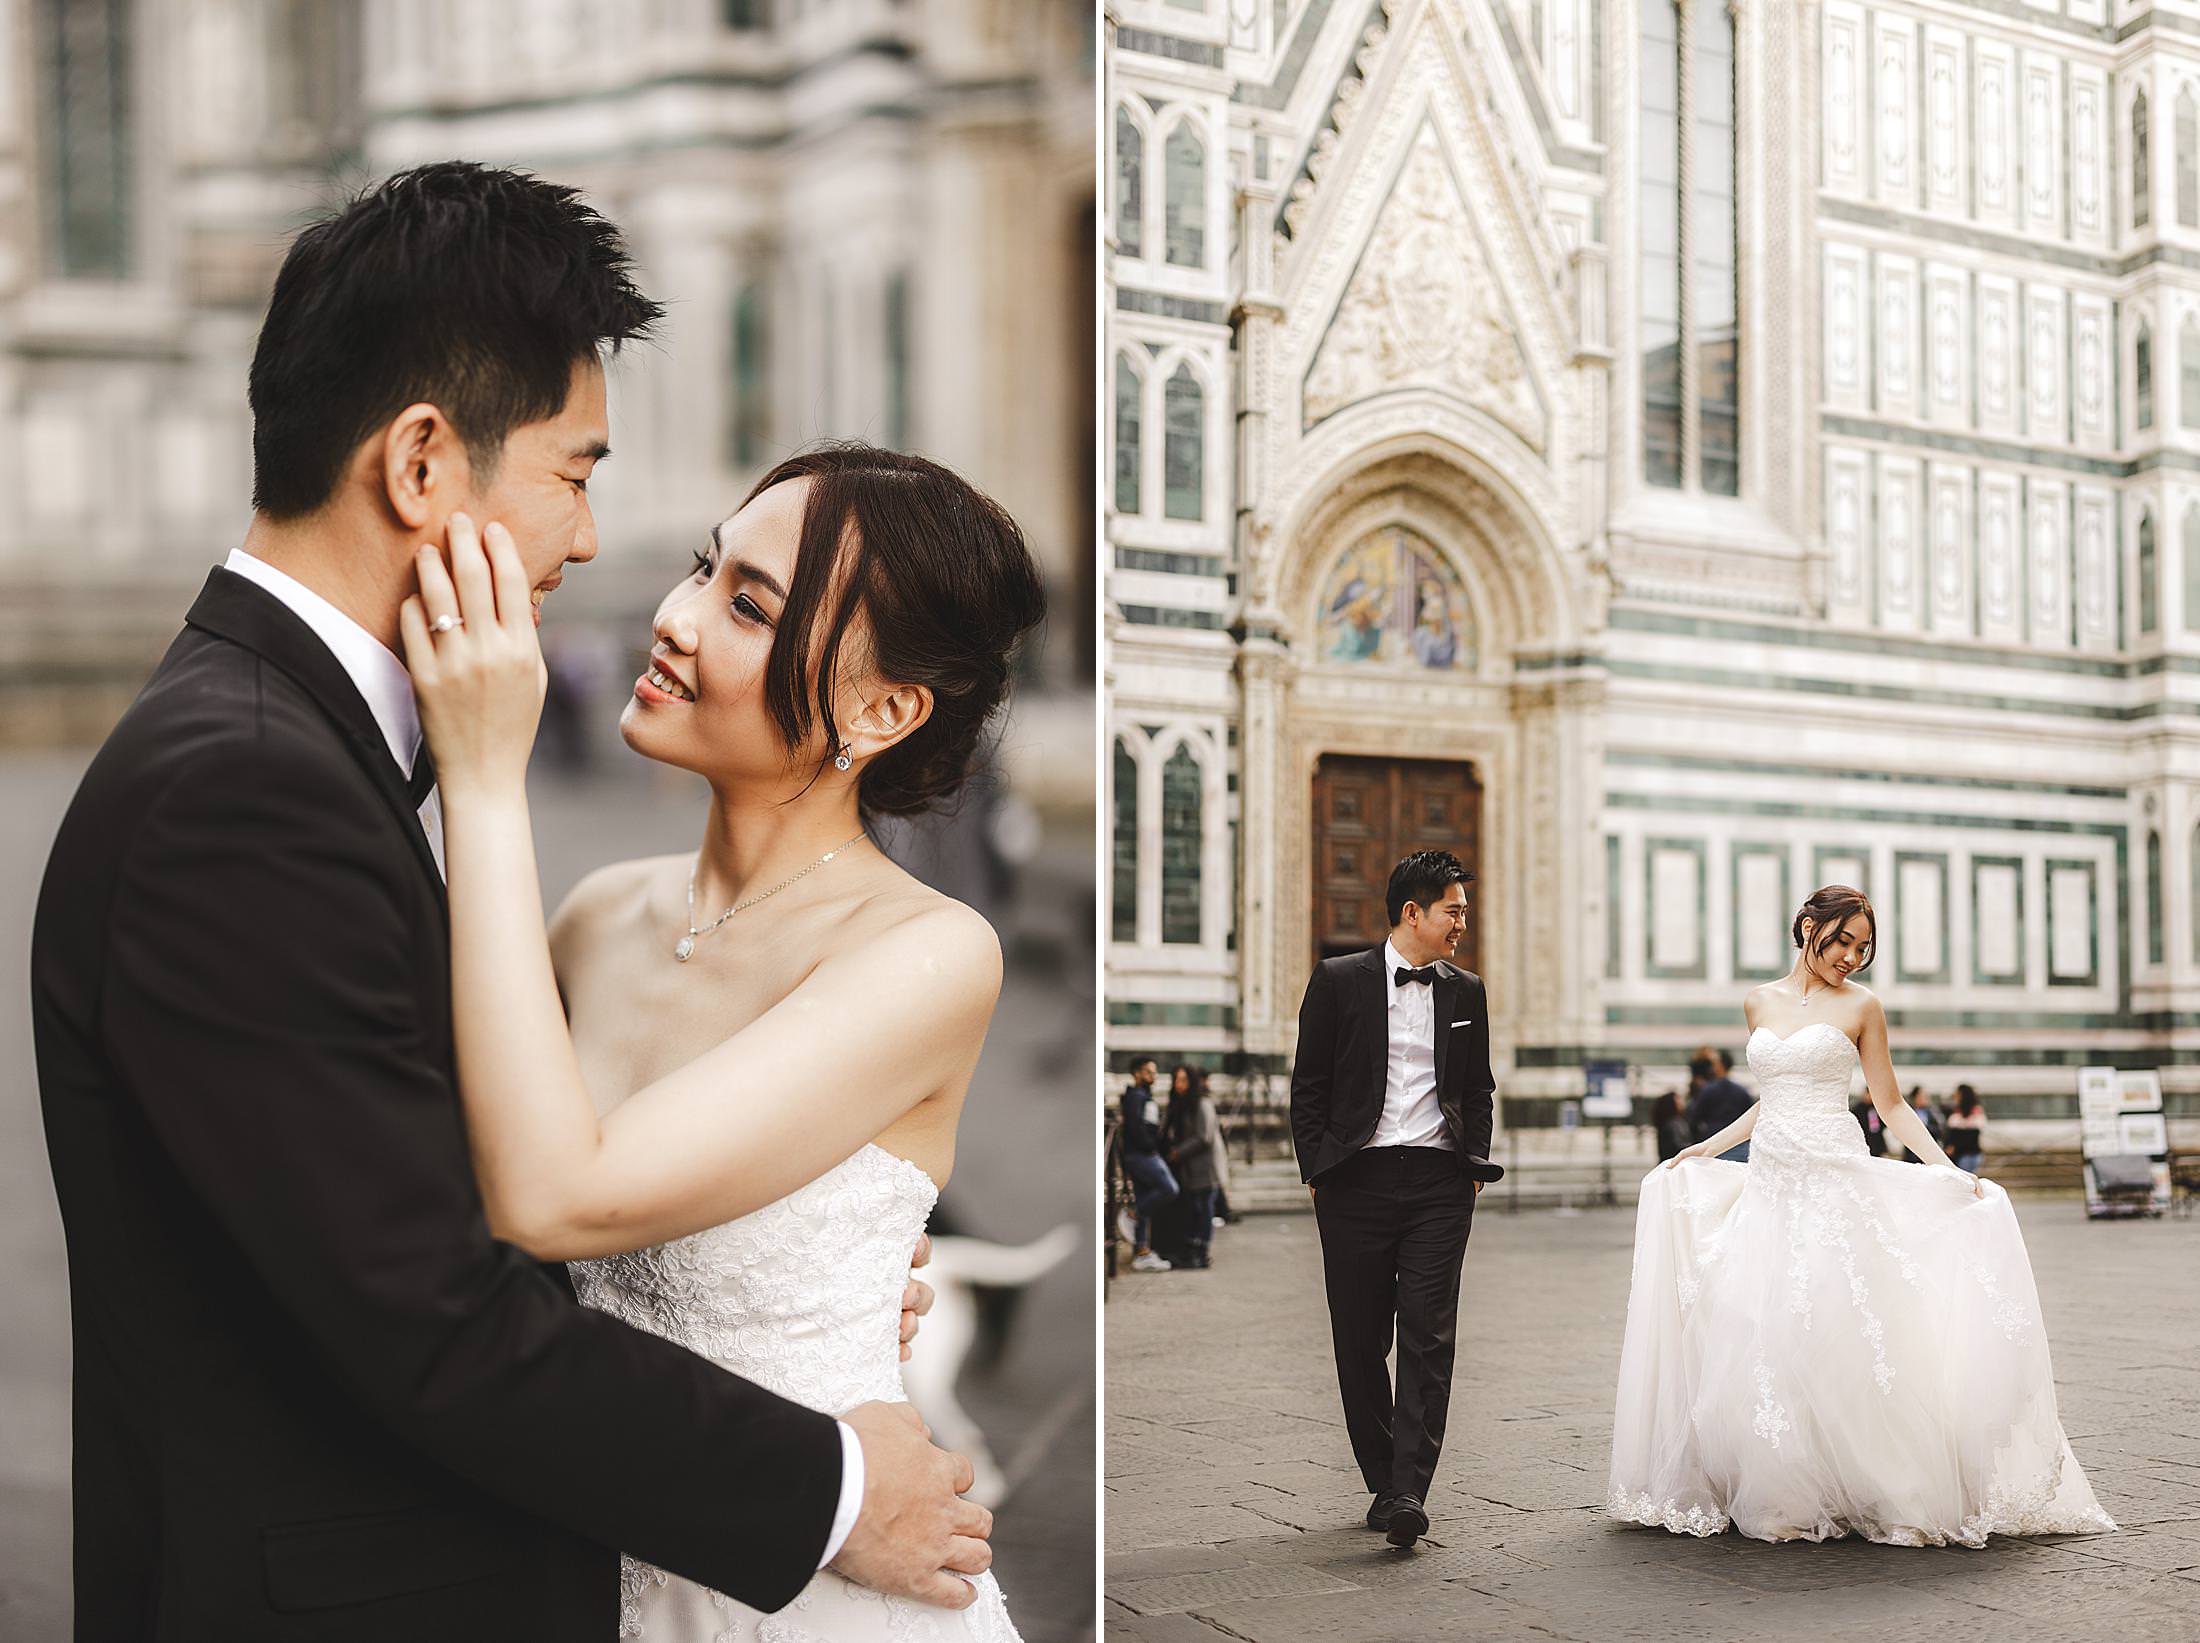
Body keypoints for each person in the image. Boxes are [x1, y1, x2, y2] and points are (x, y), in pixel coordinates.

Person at [30, 165, 989, 1641]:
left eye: (747, 597)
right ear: (424, 465)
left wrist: (828, 1253)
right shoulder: (250, 791)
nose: (600, 547)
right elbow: (441, 1305)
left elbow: (432, 1179)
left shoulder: (278, 751)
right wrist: (833, 1486)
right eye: (578, 470)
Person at [405, 433, 1045, 1640]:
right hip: (581, 1564)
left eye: (746, 605)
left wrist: (483, 779)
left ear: (884, 707)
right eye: (703, 568)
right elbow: (461, 1214)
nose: (675, 617)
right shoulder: (598, 918)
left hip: (817, 1589)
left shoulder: (929, 951)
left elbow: (557, 1197)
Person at [1608, 885, 2116, 1547]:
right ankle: (1789, 1483)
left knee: (1845, 1327)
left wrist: (1947, 1169)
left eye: (1861, 945)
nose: (1851, 955)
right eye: (1841, 939)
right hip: (1771, 1181)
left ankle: (1881, 1483)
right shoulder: (1759, 1000)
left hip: (1834, 1177)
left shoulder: (1863, 1006)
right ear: (1806, 926)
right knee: (1767, 1329)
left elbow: (1892, 1104)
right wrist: (1707, 1146)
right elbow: (1773, 1097)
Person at [1288, 850, 1505, 1550]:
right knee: (1358, 1340)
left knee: (1427, 1332)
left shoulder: (1466, 990)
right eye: (1454, 910)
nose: (1462, 924)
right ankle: (1383, 1478)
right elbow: (1309, 1084)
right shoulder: (1337, 980)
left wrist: (1470, 1165)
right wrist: (1318, 1172)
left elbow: (1478, 1088)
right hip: (1355, 1179)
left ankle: (1411, 1488)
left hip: (1441, 1182)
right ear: (1413, 912)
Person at [1159, 1066, 1224, 1269]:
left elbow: (1204, 1136)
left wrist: (1178, 1152)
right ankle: (1191, 1249)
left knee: (1204, 1208)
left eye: (1184, 1080)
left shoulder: (1202, 1103)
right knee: (1195, 1209)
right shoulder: (1181, 1104)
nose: (1179, 1085)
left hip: (1204, 1166)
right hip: (1189, 1168)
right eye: (1177, 1080)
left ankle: (1201, 1251)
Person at [1118, 1058, 1178, 1272]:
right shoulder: (1135, 1096)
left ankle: (1142, 1252)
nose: (1153, 1076)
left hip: (1143, 1153)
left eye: (1154, 1072)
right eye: (1148, 1072)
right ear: (1137, 1073)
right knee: (1169, 1188)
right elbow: (1135, 1127)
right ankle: (1133, 1213)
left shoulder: (1144, 1096)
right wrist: (1150, 1147)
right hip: (1142, 1155)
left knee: (1146, 1198)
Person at [1686, 1047, 1753, 1162]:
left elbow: (1695, 1118)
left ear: (1720, 1065)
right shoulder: (1742, 1091)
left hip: (1713, 1142)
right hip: (1739, 1144)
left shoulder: (1707, 1090)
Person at [1900, 1085, 1947, 1164]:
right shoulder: (1909, 1111)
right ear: (1916, 1097)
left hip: (1928, 1151)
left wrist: (1925, 1128)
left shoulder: (1932, 1112)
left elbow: (1939, 1129)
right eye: (1922, 1096)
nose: (1925, 1098)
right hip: (1912, 1153)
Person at [1946, 1086, 1987, 1176]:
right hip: (1966, 1154)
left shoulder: (1975, 1112)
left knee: (1965, 1180)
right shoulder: (1955, 1111)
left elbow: (1971, 1136)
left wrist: (1954, 1147)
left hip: (1968, 1154)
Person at [1650, 1089, 1691, 1163]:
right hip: (1675, 1162)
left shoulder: (1670, 1122)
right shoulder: (1673, 1124)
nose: (1681, 1102)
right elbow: (1678, 1145)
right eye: (1678, 1099)